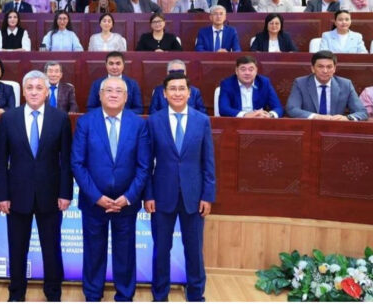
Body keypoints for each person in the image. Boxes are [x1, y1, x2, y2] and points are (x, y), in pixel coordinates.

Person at [0, 70, 73, 302]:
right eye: (29, 88)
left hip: (50, 195)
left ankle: (53, 294)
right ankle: (16, 294)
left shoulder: (60, 118)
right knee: (17, 248)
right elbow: (1, 160)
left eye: (39, 88)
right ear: (23, 91)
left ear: (47, 91)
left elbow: (66, 160)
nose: (34, 92)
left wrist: (65, 193)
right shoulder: (9, 118)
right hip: (17, 195)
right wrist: (2, 195)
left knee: (51, 248)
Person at [71, 76, 150, 301]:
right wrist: (96, 196)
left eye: (119, 91)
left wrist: (129, 197)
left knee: (125, 253)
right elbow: (77, 163)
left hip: (126, 203)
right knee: (93, 252)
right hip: (94, 202)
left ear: (126, 97)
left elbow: (144, 166)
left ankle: (124, 295)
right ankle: (93, 295)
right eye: (108, 90)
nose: (113, 94)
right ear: (100, 95)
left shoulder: (138, 124)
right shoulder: (86, 122)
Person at [144, 72, 215, 302]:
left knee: (194, 250)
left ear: (189, 93)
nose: (177, 93)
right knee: (161, 250)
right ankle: (160, 296)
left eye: (181, 88)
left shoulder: (201, 120)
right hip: (161, 196)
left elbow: (208, 161)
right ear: (164, 94)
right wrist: (148, 195)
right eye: (172, 89)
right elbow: (146, 163)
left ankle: (196, 295)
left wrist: (207, 195)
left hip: (194, 197)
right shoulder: (154, 121)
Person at [286, 50, 367, 120]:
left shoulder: (345, 84)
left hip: (335, 127)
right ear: (313, 68)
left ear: (334, 69)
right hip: (310, 127)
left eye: (329, 67)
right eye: (320, 67)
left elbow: (361, 112)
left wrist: (346, 118)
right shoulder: (300, 83)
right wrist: (317, 117)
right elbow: (292, 109)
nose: (325, 71)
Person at [219, 56, 284, 118]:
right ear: (236, 71)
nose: (247, 73)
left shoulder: (264, 83)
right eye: (243, 69)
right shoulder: (227, 84)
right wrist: (245, 115)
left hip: (259, 121)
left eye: (251, 69)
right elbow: (223, 109)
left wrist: (269, 115)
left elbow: (278, 108)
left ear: (256, 71)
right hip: (236, 122)